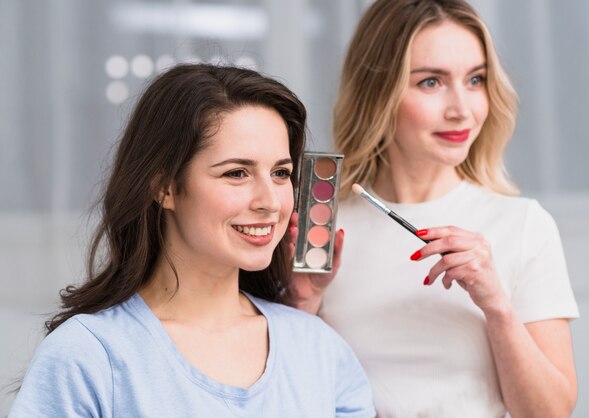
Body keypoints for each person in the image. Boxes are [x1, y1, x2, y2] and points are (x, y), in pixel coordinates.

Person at [10, 64, 375, 418]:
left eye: (281, 173)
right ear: (163, 187)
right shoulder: (88, 356)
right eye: (237, 173)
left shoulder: (319, 348)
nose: (270, 201)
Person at [290, 1, 579, 417]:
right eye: (431, 82)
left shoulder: (524, 225)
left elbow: (550, 413)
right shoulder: (318, 229)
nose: (462, 108)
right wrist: (301, 303)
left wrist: (496, 304)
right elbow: (289, 397)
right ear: (379, 92)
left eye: (476, 79)